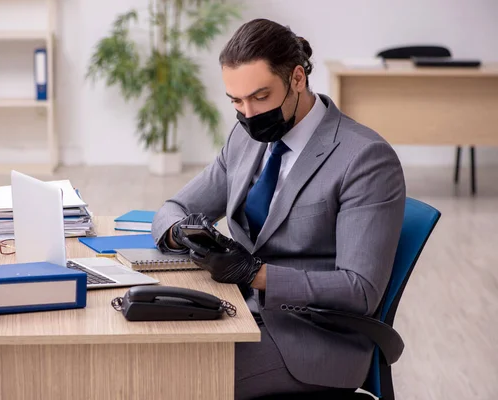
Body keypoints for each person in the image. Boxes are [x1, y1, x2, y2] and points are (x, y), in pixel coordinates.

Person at [151, 18, 406, 400]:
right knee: (140, 352)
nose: (249, 114)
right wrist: (182, 233)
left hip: (312, 339)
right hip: (237, 310)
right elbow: (174, 207)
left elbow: (360, 289)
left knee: (171, 379)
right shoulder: (245, 138)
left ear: (297, 79)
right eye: (236, 101)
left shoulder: (364, 158)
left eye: (260, 96)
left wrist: (256, 274)